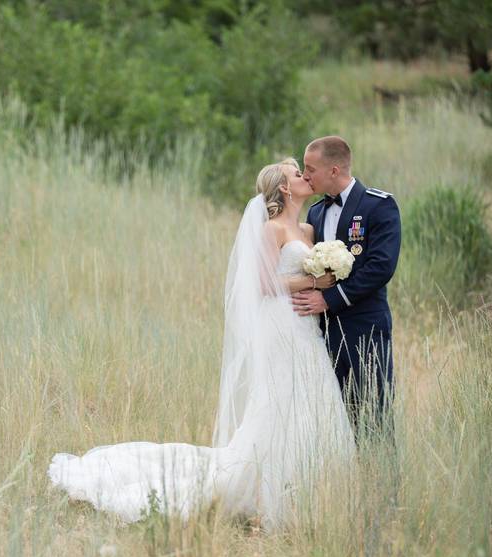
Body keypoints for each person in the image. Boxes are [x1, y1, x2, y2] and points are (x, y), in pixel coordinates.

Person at [48, 159, 355, 529]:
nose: (305, 177)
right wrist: (313, 284)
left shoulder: (307, 228)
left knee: (309, 399)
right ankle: (270, 497)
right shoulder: (271, 229)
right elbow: (259, 285)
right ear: (286, 189)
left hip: (307, 329)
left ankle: (310, 492)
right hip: (280, 326)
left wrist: (326, 275)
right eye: (296, 174)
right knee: (278, 402)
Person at [292, 136, 401, 444]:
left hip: (365, 329)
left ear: (334, 170)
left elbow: (381, 267)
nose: (305, 175)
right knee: (337, 421)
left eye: (310, 168)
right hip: (324, 334)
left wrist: (329, 299)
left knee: (375, 417)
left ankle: (383, 489)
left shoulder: (378, 206)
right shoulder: (315, 213)